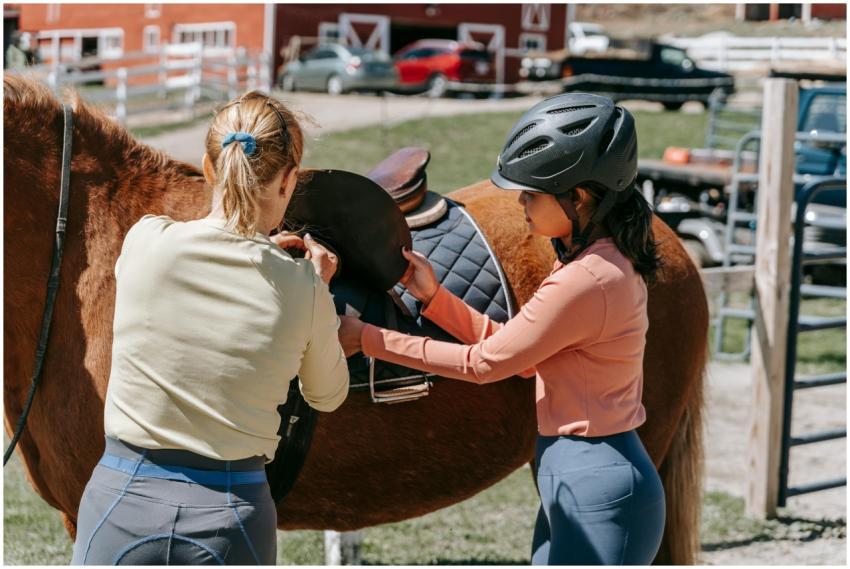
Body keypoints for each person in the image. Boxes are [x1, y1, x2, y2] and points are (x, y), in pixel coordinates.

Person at [338, 93, 666, 565]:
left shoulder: (584, 279)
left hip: (594, 480)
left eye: (532, 192)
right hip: (578, 475)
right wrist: (435, 298)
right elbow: (520, 353)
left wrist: (367, 338)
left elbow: (485, 365)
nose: (519, 201)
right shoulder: (595, 263)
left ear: (580, 196)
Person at [71, 91, 349, 565]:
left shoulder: (145, 242)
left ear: (207, 166)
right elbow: (328, 394)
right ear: (288, 181)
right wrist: (316, 289)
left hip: (122, 498)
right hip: (230, 511)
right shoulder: (302, 288)